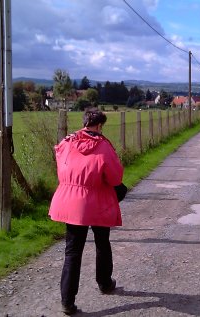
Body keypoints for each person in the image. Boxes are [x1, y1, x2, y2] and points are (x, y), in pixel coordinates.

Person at [49, 107, 124, 315]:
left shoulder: (67, 142)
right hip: (98, 202)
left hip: (70, 201)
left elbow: (59, 159)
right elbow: (115, 178)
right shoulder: (103, 146)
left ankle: (67, 300)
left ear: (84, 123)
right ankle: (104, 283)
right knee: (102, 242)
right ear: (100, 125)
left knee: (72, 251)